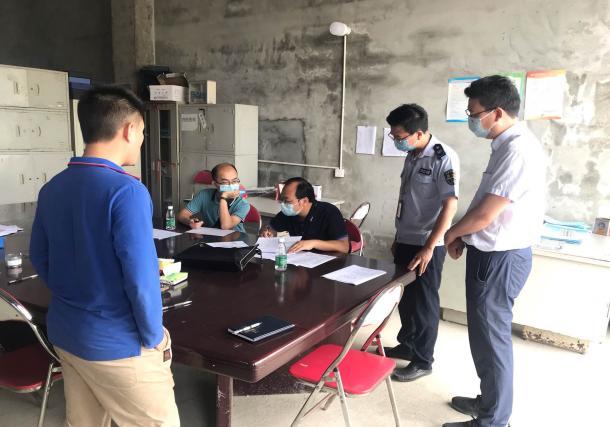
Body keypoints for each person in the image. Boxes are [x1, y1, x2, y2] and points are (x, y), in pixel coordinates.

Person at [29, 86, 180, 426]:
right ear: (129, 129)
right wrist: (154, 337)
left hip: (67, 332)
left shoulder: (53, 187)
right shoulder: (127, 191)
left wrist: (77, 292)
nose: (142, 140)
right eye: (143, 132)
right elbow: (141, 280)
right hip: (118, 343)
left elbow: (39, 255)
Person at [443, 75, 546, 427]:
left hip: (499, 259)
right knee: (484, 337)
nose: (471, 120)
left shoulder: (517, 150)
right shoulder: (507, 145)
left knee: (491, 339)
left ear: (497, 112)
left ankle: (493, 420)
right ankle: (489, 402)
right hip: (493, 255)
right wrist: (463, 235)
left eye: (474, 114)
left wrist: (452, 233)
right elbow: (487, 206)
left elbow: (486, 214)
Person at [382, 104, 460, 382]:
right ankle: (408, 344)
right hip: (406, 238)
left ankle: (423, 360)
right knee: (405, 296)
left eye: (399, 136)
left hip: (427, 244)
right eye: (393, 135)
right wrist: (398, 237)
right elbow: (407, 199)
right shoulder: (412, 154)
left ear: (418, 133)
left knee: (424, 303)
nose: (396, 141)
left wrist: (429, 247)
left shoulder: (443, 157)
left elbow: (450, 205)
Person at [260, 177, 349, 254]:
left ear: (304, 201)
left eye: (287, 201)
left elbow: (344, 247)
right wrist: (267, 232)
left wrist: (314, 243)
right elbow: (271, 228)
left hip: (328, 260)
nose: (283, 204)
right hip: (300, 259)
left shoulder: (329, 212)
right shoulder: (288, 214)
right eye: (282, 200)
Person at [177, 163, 250, 233]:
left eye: (234, 181)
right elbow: (182, 215)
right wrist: (189, 222)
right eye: (225, 182)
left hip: (235, 239)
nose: (231, 185)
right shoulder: (204, 195)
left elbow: (225, 226)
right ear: (215, 184)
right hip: (209, 238)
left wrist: (223, 198)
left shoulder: (243, 204)